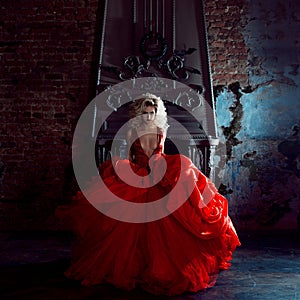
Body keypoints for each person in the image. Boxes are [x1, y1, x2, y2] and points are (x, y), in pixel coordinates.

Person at [56, 93, 240, 296]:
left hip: (161, 167)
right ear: (138, 113)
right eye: (144, 113)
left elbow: (159, 151)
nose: (148, 116)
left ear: (157, 113)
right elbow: (126, 156)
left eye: (152, 112)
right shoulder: (132, 130)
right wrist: (125, 170)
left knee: (183, 167)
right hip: (138, 170)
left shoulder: (161, 128)